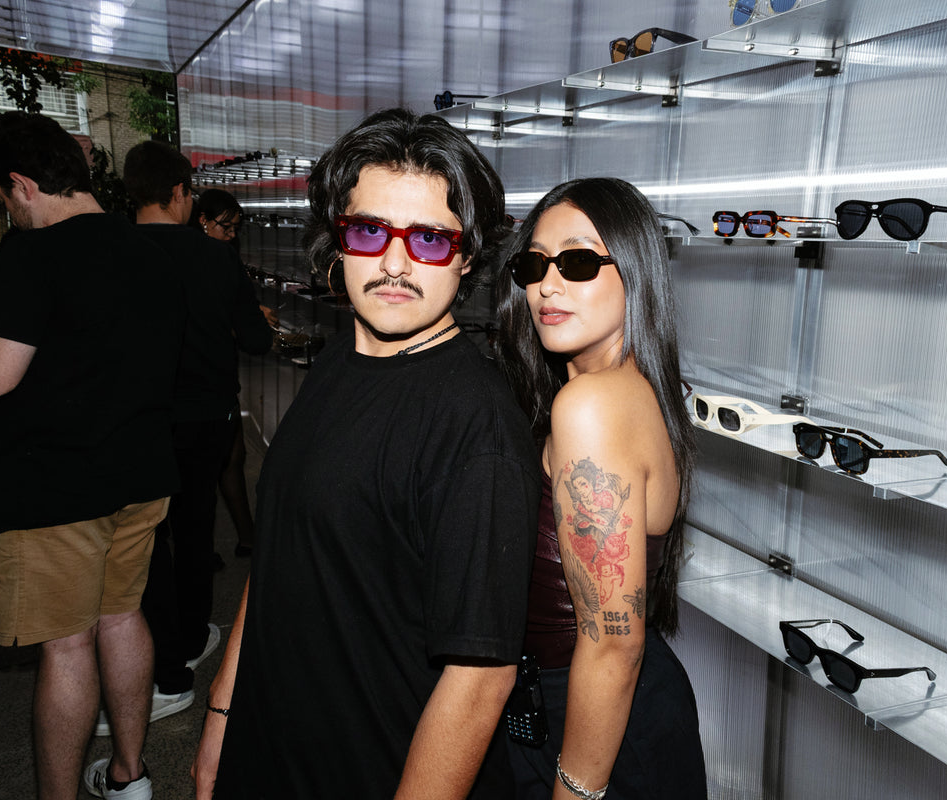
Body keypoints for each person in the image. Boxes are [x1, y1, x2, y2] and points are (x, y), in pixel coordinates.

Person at [191, 107, 540, 799]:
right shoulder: (338, 364)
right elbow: (280, 559)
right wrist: (221, 720)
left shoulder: (477, 430)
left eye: (430, 240)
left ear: (468, 257)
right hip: (273, 754)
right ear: (339, 240)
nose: (394, 264)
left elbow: (478, 681)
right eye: (370, 230)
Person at [0, 111, 183, 800]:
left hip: (55, 488)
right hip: (140, 475)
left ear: (22, 184)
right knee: (123, 617)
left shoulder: (34, 255)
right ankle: (129, 775)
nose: (7, 211)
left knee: (68, 645)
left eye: (3, 197)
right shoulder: (151, 251)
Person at [494, 177, 707, 799]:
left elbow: (613, 643)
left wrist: (575, 790)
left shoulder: (592, 404)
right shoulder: (632, 390)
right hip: (595, 705)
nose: (547, 285)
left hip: (598, 718)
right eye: (534, 264)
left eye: (579, 262)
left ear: (635, 273)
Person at [120, 141, 273, 732]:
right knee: (193, 525)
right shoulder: (214, 258)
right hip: (207, 415)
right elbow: (254, 341)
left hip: (137, 418)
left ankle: (157, 646)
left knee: (145, 537)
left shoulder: (115, 251)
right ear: (181, 192)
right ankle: (188, 638)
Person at [194, 187, 272, 558]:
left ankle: (242, 538)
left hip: (215, 382)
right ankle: (212, 547)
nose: (231, 234)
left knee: (230, 459)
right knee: (219, 463)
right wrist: (246, 322)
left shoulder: (214, 256)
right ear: (202, 221)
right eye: (225, 226)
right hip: (207, 382)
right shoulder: (210, 259)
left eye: (236, 227)